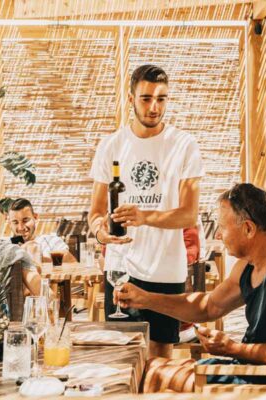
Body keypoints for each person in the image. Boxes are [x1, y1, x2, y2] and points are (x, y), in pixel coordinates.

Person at [115, 183, 266, 392]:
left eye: (222, 227)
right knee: (144, 367)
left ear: (248, 229)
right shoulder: (251, 264)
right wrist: (145, 299)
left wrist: (232, 348)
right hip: (250, 370)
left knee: (151, 376)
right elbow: (208, 307)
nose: (218, 235)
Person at [88, 64, 204, 358]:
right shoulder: (111, 146)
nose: (154, 107)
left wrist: (144, 217)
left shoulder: (184, 145)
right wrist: (101, 234)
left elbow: (189, 215)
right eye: (146, 98)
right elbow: (95, 214)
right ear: (131, 99)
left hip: (167, 269)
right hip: (121, 270)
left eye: (162, 98)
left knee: (160, 357)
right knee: (122, 358)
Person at [7, 198, 77, 265]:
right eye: (15, 222)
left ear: (35, 217)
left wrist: (39, 259)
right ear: (10, 223)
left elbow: (73, 264)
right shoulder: (6, 246)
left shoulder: (52, 241)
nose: (21, 228)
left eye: (25, 220)